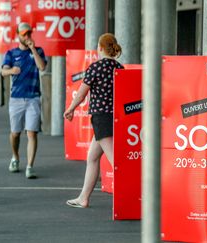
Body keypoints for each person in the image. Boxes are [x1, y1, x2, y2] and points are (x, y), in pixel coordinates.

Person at [63, 33, 123, 208]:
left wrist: (70, 109)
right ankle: (83, 198)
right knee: (92, 158)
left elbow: (81, 93)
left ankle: (134, 198)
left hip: (101, 117)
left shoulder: (95, 68)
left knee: (115, 162)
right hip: (114, 118)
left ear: (101, 48)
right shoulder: (119, 67)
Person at [1, 22, 47, 179]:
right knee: (15, 133)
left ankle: (30, 166)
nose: (27, 37)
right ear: (18, 35)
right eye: (24, 34)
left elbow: (42, 67)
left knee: (32, 133)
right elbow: (2, 71)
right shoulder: (11, 53)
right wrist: (10, 71)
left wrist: (33, 49)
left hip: (33, 97)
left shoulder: (39, 50)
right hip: (16, 98)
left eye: (29, 33)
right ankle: (15, 157)